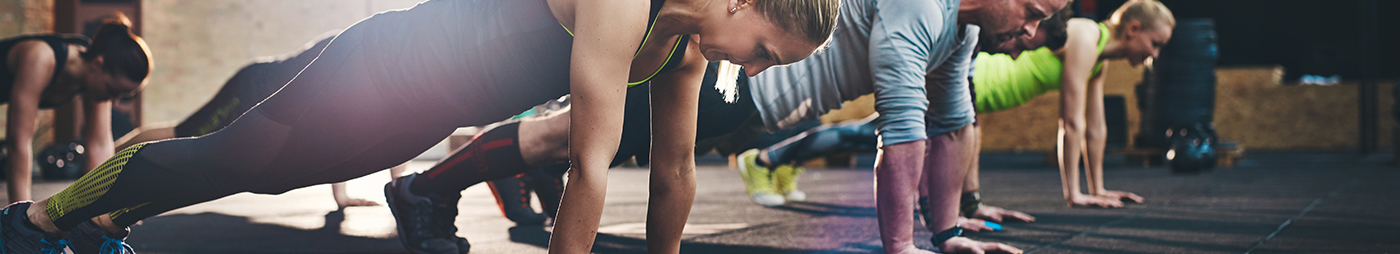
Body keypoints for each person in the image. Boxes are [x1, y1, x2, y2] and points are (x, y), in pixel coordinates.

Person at [0, 0, 839, 254]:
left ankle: (109, 218)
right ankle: (39, 219)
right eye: (765, 49)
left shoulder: (687, 44)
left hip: (426, 106)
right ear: (741, 2)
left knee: (272, 174)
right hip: (389, 63)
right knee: (237, 159)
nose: (756, 69)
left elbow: (674, 175)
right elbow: (589, 167)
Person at [392, 0, 1073, 252]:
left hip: (753, 89)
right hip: (740, 89)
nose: (1035, 31)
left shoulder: (960, 37)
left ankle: (507, 175)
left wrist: (951, 228)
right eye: (1036, 13)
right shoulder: (921, 10)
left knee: (592, 138)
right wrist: (904, 247)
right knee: (574, 137)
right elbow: (907, 131)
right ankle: (426, 187)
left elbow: (954, 125)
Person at [112, 32, 392, 209]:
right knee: (186, 133)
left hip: (270, 90)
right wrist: (342, 197)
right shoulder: (360, 58)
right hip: (252, 87)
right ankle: (110, 154)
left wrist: (390, 188)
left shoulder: (381, 76)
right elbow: (345, 129)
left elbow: (389, 131)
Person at [971, 0, 1174, 208]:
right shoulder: (1086, 36)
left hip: (993, 92)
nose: (1155, 54)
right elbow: (1071, 122)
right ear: (1133, 29)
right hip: (984, 80)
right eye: (1155, 44)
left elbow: (1096, 127)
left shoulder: (1099, 56)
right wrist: (1074, 194)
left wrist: (1098, 190)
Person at [2, 13, 151, 203]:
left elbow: (100, 144)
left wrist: (109, 205)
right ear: (98, 64)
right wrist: (21, 214)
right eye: (112, 90)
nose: (113, 101)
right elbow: (18, 140)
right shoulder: (41, 58)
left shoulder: (94, 71)